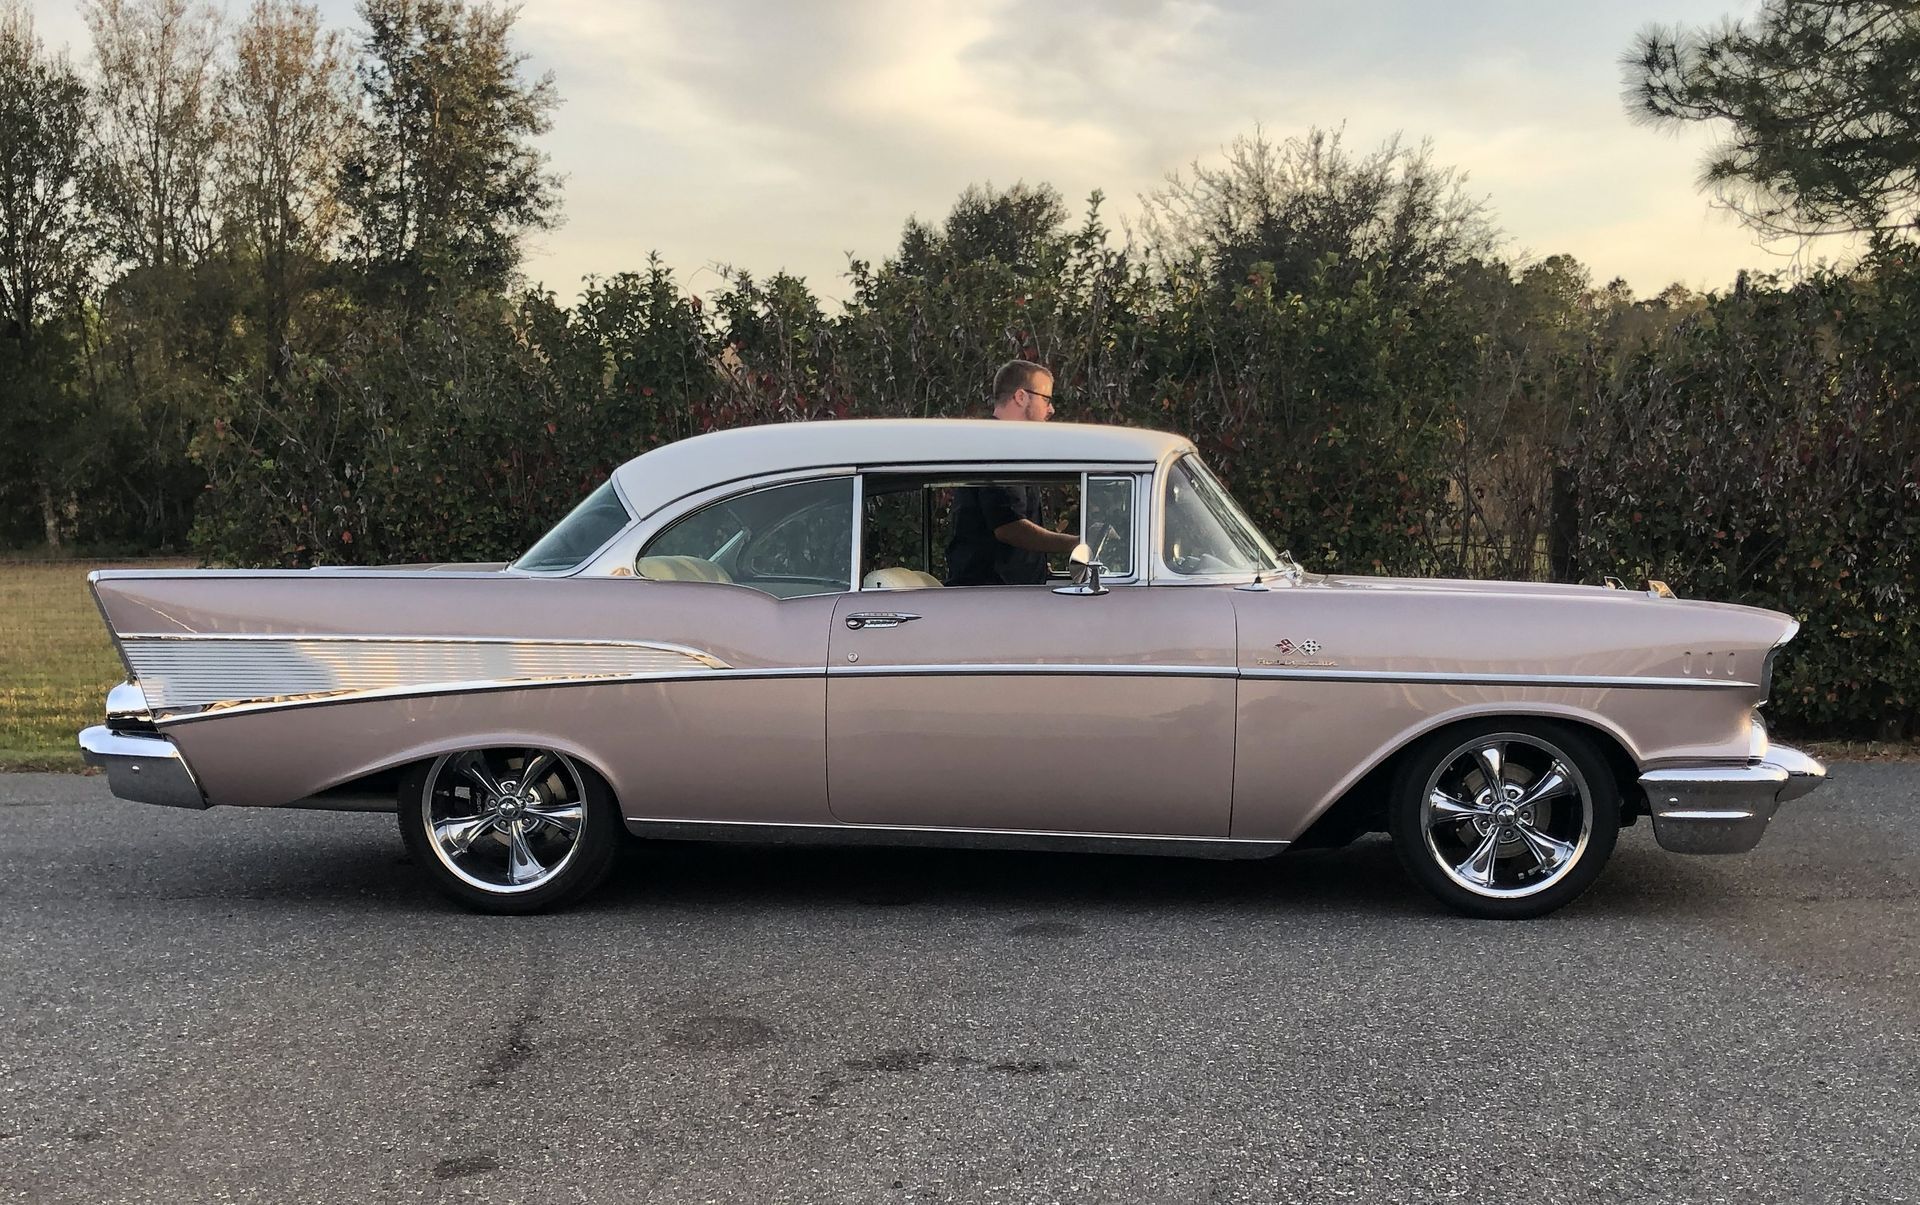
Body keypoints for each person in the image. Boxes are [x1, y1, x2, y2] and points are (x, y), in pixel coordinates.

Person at [944, 360, 1082, 586]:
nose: (1051, 409)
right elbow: (1009, 527)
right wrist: (1076, 543)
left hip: (1008, 595)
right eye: (1046, 399)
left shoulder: (1006, 446)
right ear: (1021, 397)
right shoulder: (997, 447)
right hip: (991, 597)